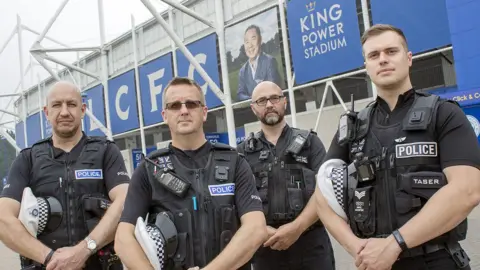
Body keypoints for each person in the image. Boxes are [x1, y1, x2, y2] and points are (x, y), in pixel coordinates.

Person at [314, 23, 480, 270]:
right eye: (373, 55)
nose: (382, 60)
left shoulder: (443, 113)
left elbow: (467, 190)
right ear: (366, 67)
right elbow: (321, 199)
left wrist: (394, 245)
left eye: (391, 51)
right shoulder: (352, 128)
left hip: (437, 260)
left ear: (409, 58)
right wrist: (357, 249)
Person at [114, 77, 267, 270]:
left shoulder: (235, 162)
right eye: (175, 105)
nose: (184, 110)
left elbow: (256, 228)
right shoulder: (148, 170)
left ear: (204, 112)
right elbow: (122, 238)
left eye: (192, 104)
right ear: (164, 115)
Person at [0, 81, 130, 270]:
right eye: (56, 105)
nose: (64, 112)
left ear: (83, 109)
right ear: (46, 112)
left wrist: (83, 250)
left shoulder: (106, 152)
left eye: (71, 104)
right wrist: (51, 259)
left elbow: (125, 201)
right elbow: (3, 218)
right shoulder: (27, 159)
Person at [237, 81, 335, 270]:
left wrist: (297, 228)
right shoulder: (242, 153)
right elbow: (237, 201)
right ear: (253, 108)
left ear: (285, 102)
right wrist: (262, 231)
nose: (269, 104)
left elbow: (326, 190)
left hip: (311, 245)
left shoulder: (310, 143)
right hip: (265, 248)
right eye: (261, 100)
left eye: (274, 98)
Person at [236, 25, 282, 101]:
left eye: (253, 39)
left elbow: (273, 87)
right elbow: (240, 94)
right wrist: (253, 99)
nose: (250, 45)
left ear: (260, 40)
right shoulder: (242, 71)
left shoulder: (269, 61)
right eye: (247, 42)